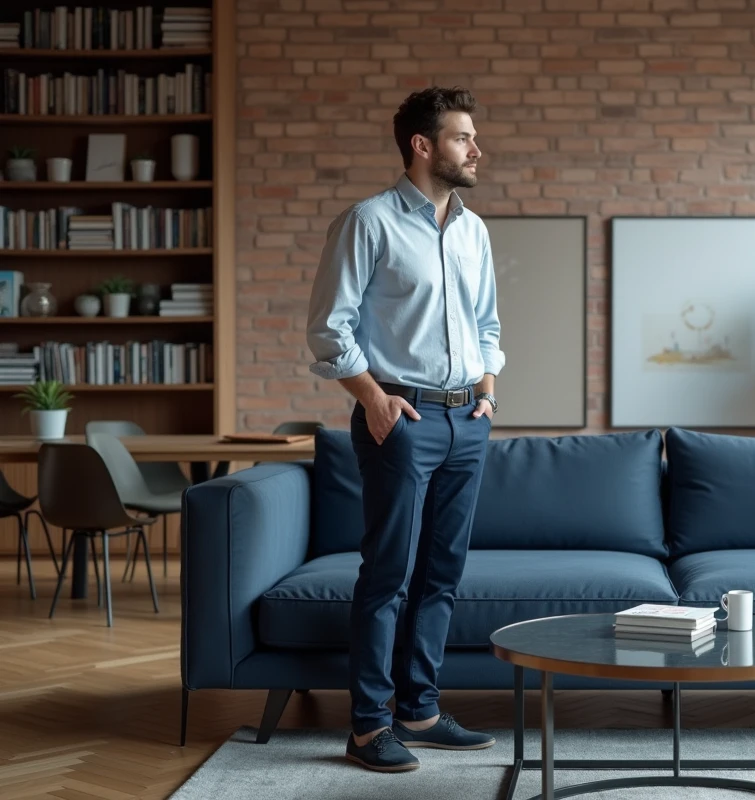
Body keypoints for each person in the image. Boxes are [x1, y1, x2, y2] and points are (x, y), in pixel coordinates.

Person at [306, 86, 504, 773]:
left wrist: (487, 388)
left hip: (467, 421)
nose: (476, 150)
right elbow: (329, 328)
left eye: (473, 138)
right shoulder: (369, 222)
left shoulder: (474, 230)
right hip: (403, 417)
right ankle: (367, 726)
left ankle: (419, 709)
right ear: (423, 146)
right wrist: (372, 398)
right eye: (462, 138)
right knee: (388, 574)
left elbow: (487, 326)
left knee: (442, 574)